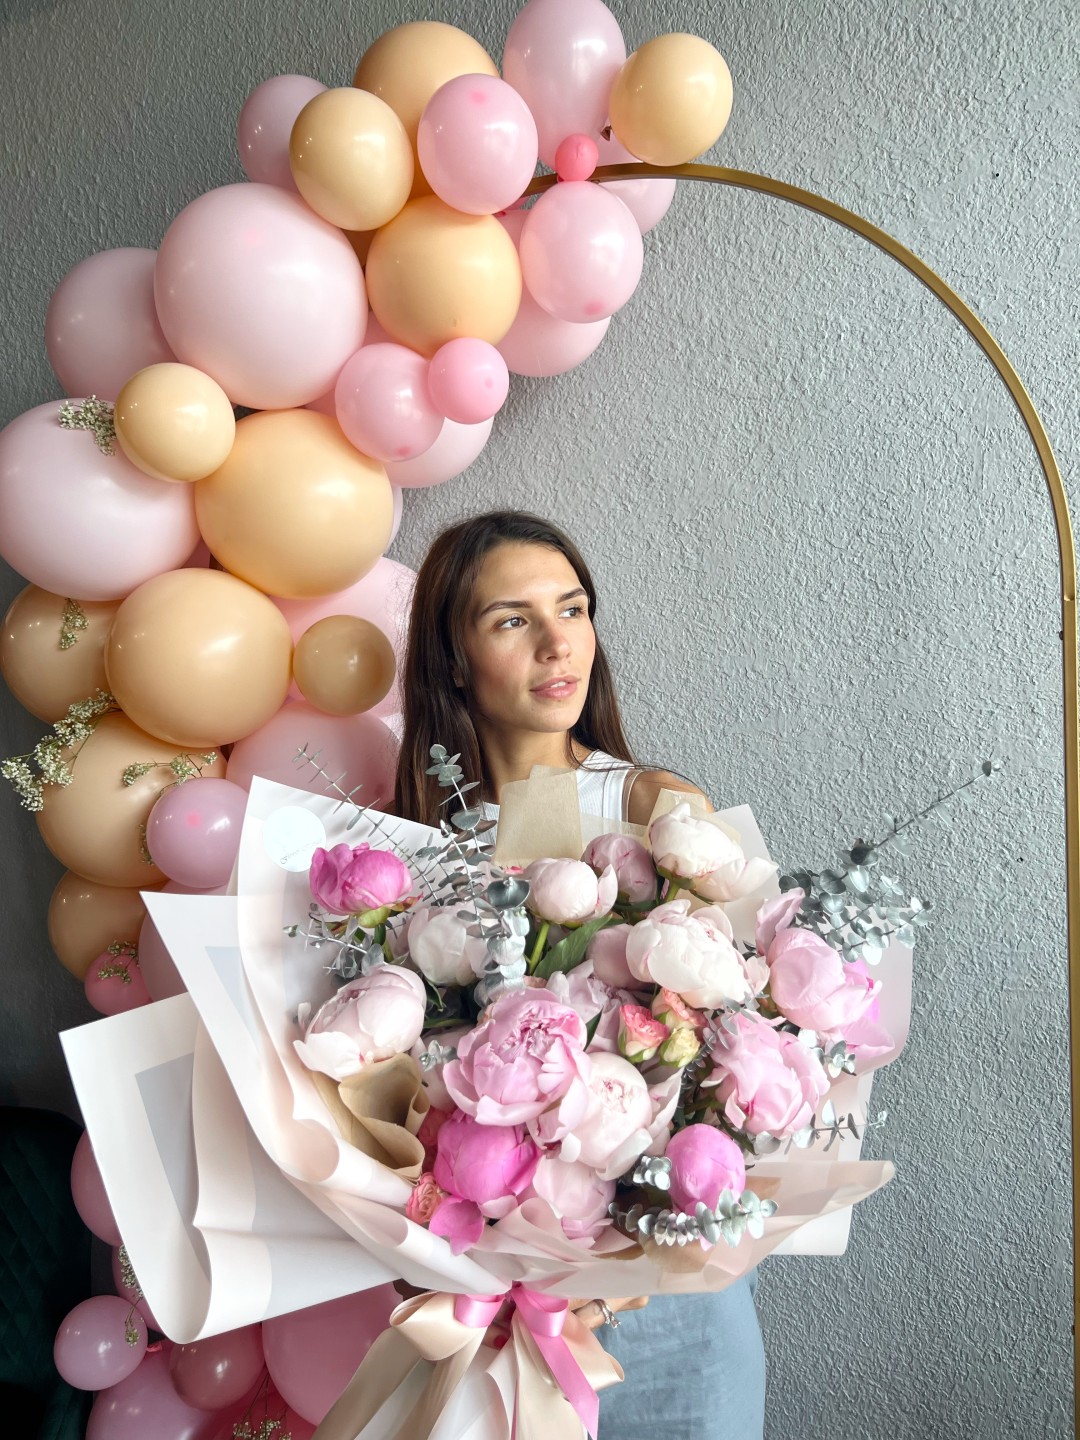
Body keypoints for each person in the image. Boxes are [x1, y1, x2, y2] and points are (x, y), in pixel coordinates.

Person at [392, 510, 766, 1439]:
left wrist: (619, 1255)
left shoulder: (656, 811)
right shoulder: (409, 851)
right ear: (452, 659)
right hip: (488, 1304)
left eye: (574, 608)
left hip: (656, 1294)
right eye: (513, 620)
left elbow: (733, 1040)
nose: (562, 643)